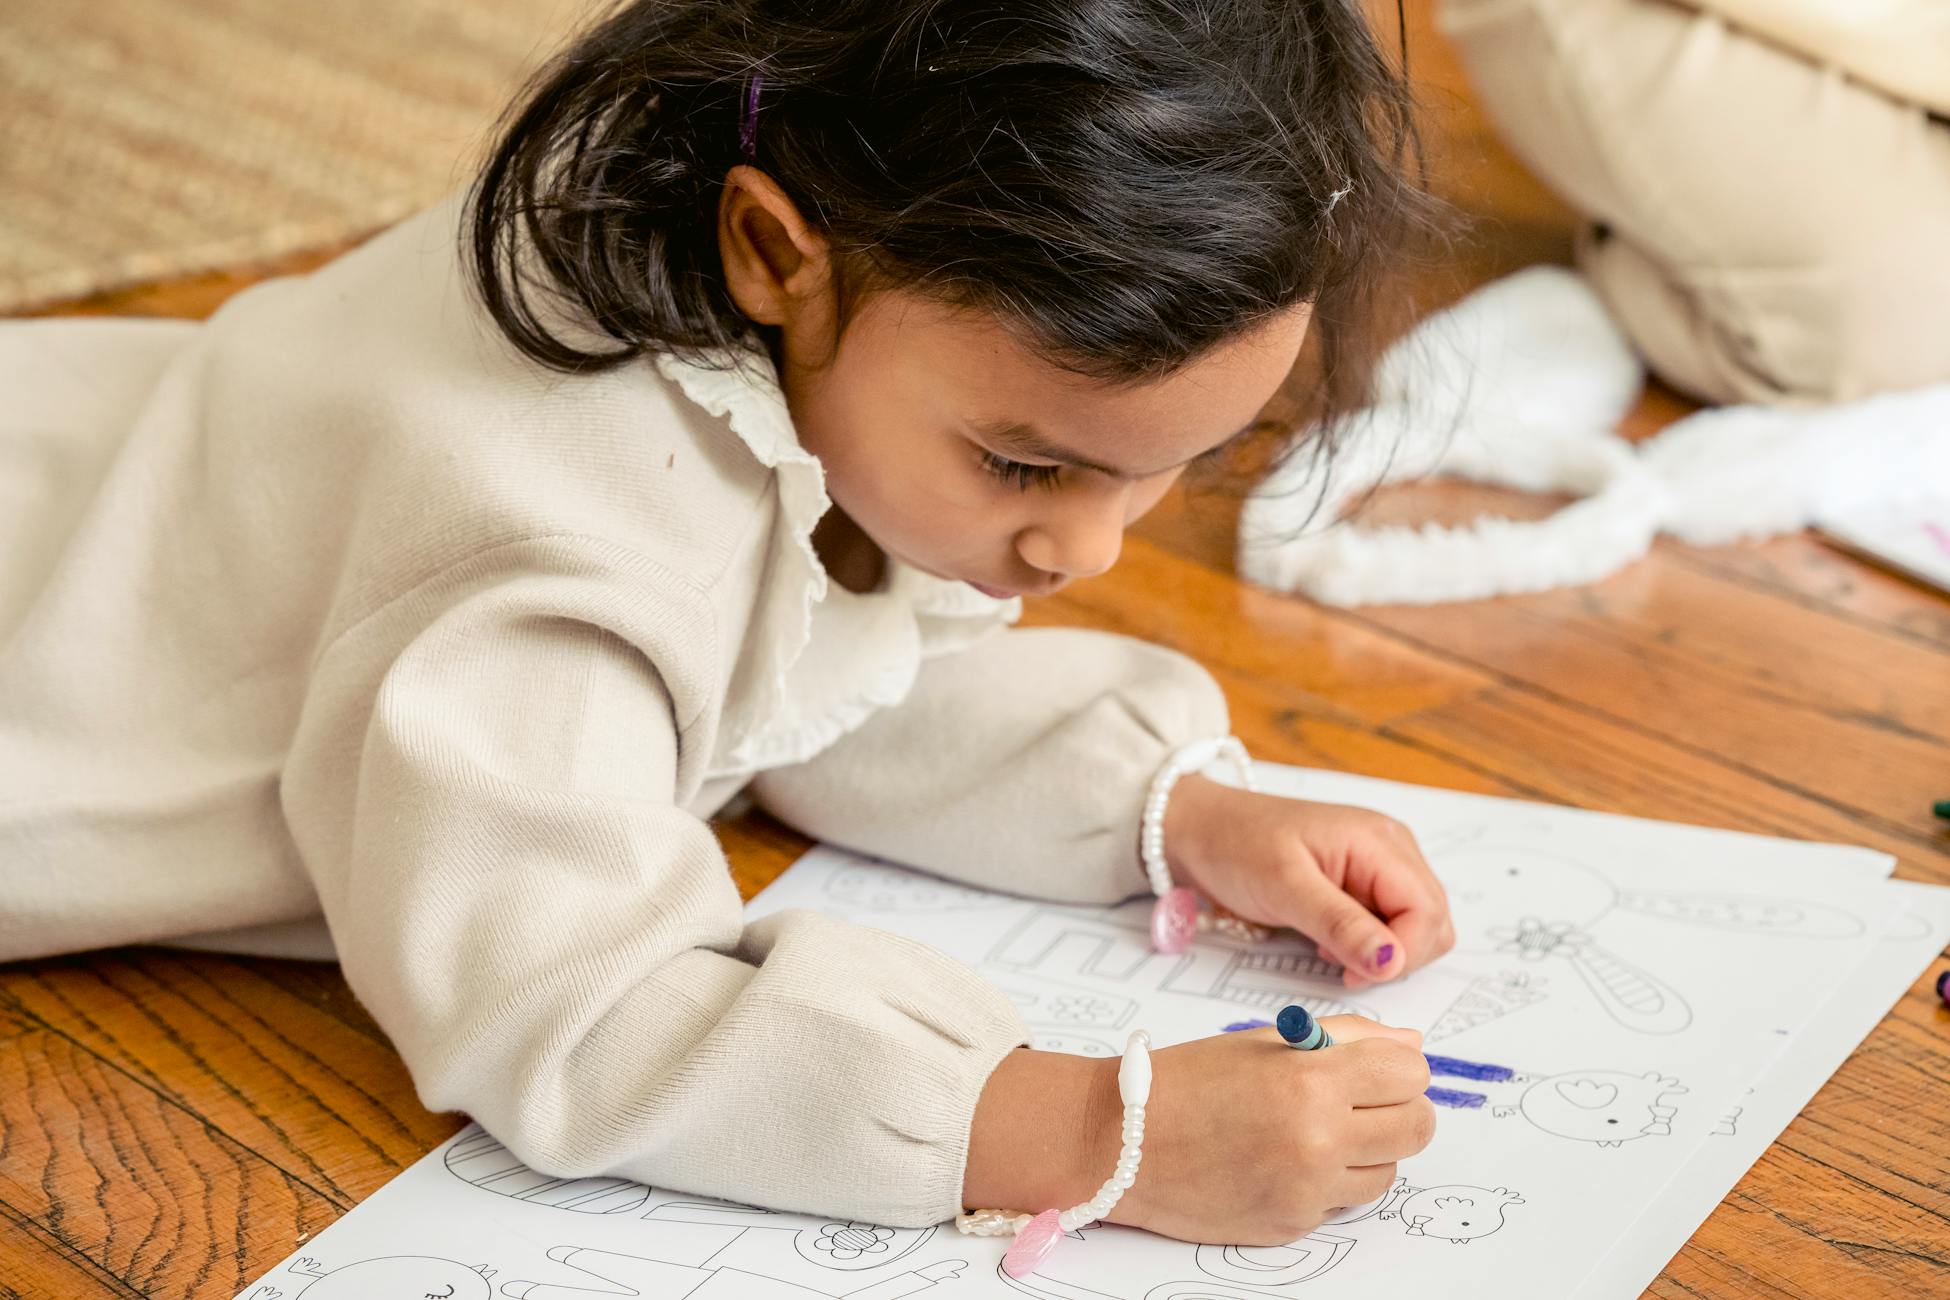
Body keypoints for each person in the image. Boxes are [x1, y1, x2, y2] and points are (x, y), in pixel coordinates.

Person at [0, 0, 1451, 1244]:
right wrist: (1074, 1128)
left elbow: (774, 690)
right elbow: (559, 1001)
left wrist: (1166, 810)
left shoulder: (760, 252)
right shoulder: (551, 540)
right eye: (1024, 464)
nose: (1085, 547)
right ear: (773, 250)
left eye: (1169, 470)